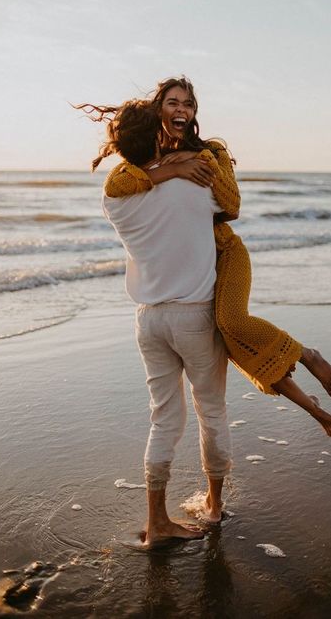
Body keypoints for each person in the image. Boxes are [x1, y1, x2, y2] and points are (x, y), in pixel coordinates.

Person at [78, 77, 331, 440]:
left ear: (194, 113)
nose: (181, 110)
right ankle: (311, 408)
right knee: (237, 349)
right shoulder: (146, 164)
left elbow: (232, 207)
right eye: (173, 102)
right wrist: (168, 169)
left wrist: (195, 159)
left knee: (233, 323)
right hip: (194, 269)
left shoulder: (211, 152)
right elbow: (117, 185)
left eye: (187, 104)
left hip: (227, 255)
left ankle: (307, 353)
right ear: (160, 111)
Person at [90, 99, 233, 546]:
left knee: (163, 420)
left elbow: (137, 180)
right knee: (211, 411)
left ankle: (157, 522)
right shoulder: (196, 184)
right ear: (158, 133)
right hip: (194, 313)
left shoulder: (115, 197)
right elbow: (230, 204)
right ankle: (213, 507)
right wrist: (195, 158)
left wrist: (166, 166)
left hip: (148, 320)